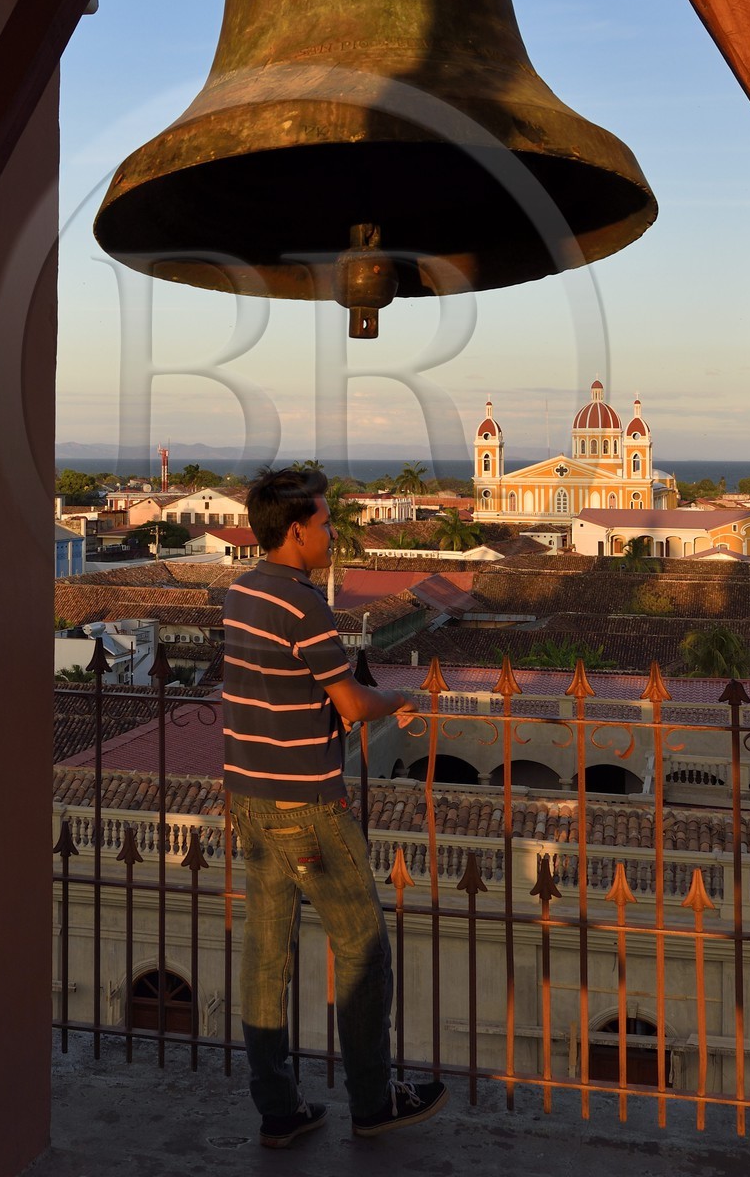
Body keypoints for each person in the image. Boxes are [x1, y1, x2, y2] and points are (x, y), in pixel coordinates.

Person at [223, 467, 448, 1148]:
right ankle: (374, 1101)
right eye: (324, 523)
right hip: (304, 803)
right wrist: (403, 701)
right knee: (363, 948)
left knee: (266, 951)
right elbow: (351, 704)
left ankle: (279, 1110)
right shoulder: (302, 604)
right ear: (295, 531)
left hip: (248, 794)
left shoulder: (239, 591)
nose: (332, 534)